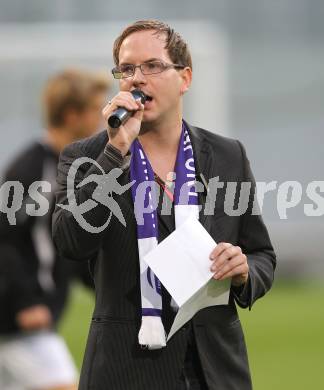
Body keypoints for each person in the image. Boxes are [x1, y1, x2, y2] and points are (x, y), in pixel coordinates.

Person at [52, 20, 276, 390]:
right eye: (126, 69)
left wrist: (243, 270)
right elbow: (71, 242)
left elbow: (262, 255)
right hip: (127, 369)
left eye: (152, 66)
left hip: (215, 368)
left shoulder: (226, 155)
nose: (136, 78)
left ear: (184, 78)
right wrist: (114, 155)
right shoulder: (86, 157)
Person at [0, 68, 110, 390]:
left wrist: (111, 290)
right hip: (18, 321)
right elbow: (4, 240)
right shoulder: (31, 170)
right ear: (72, 114)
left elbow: (68, 248)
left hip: (28, 321)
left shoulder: (71, 167)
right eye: (95, 109)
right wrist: (25, 302)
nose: (102, 120)